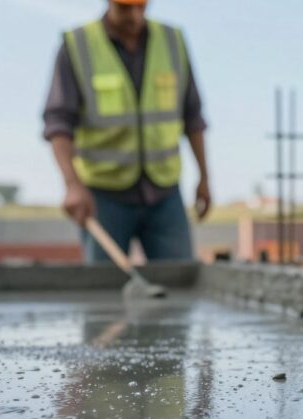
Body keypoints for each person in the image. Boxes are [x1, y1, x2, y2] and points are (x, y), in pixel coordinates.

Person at [43, 0, 211, 262]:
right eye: (124, 8)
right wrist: (72, 184)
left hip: (164, 193)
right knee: (104, 291)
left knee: (178, 282)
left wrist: (204, 178)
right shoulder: (79, 45)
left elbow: (193, 116)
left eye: (141, 7)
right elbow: (58, 124)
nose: (134, 16)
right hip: (103, 196)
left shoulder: (172, 41)